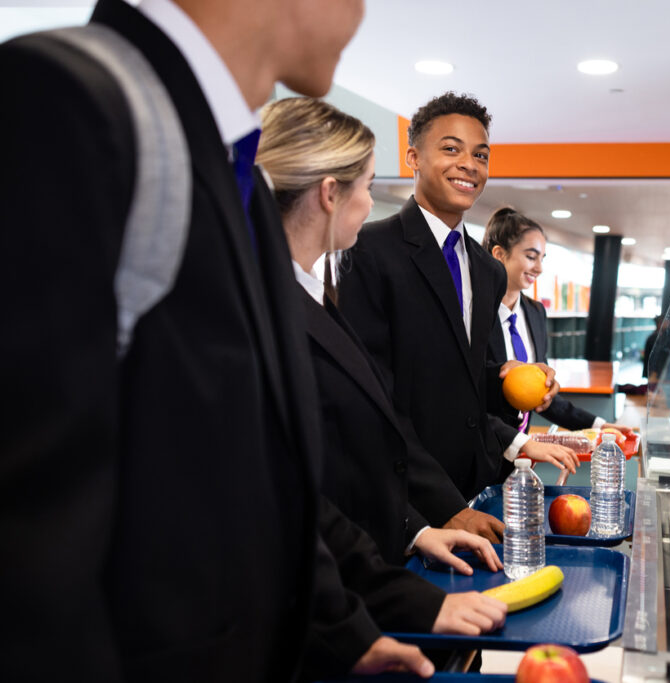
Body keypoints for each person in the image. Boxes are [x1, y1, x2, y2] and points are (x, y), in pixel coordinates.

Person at [0, 0, 431, 680]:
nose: (361, 13)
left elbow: (258, 472)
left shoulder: (239, 182)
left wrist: (341, 631)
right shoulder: (63, 103)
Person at [256, 97, 507, 638]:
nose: (371, 203)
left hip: (375, 557)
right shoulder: (271, 308)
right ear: (329, 194)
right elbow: (297, 486)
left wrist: (414, 532)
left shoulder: (312, 296)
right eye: (368, 186)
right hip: (308, 604)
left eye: (481, 153)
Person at [335, 92, 578, 502]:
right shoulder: (368, 251)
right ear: (413, 157)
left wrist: (518, 382)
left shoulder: (488, 270)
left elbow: (468, 385)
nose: (469, 164)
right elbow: (371, 400)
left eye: (481, 155)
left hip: (477, 488)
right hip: (403, 500)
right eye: (451, 149)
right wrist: (444, 507)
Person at [483, 207, 634, 447]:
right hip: (480, 454)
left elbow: (541, 396)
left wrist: (597, 425)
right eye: (531, 257)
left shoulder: (534, 313)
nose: (539, 268)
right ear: (499, 254)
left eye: (542, 259)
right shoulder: (473, 315)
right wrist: (519, 444)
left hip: (518, 459)